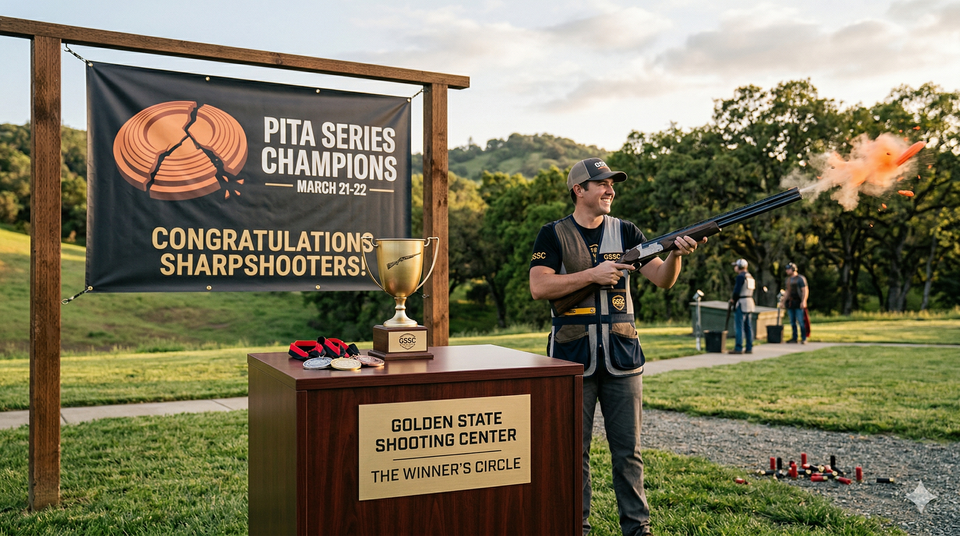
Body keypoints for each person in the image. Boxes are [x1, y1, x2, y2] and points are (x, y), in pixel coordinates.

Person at [529, 158, 703, 536]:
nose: (611, 190)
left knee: (629, 453)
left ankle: (638, 528)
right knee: (573, 455)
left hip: (623, 357)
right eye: (602, 184)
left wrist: (675, 254)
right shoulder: (553, 234)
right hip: (573, 359)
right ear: (580, 190)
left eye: (612, 184)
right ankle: (577, 526)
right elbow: (539, 287)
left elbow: (661, 279)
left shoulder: (627, 231)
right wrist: (593, 274)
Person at [728, 258, 755, 354]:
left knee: (739, 326)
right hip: (749, 302)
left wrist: (733, 300)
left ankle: (738, 347)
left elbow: (737, 290)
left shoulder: (740, 277)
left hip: (742, 302)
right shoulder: (750, 276)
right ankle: (749, 347)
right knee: (748, 326)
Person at [781, 262, 809, 343]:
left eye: (788, 269)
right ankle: (794, 337)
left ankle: (804, 338)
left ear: (793, 269)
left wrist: (804, 301)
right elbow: (787, 291)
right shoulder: (788, 280)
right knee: (792, 322)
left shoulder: (800, 279)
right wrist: (783, 301)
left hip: (799, 302)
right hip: (791, 303)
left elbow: (805, 290)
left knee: (801, 321)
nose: (787, 271)